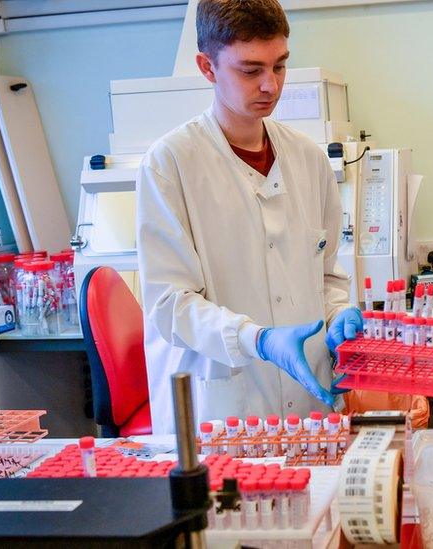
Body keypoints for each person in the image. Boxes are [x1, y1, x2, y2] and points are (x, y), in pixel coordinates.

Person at [137, 0, 361, 434]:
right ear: (207, 67)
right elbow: (169, 305)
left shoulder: (307, 159)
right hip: (222, 407)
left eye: (279, 66)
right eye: (250, 69)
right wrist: (257, 340)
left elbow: (327, 278)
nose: (270, 86)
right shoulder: (170, 164)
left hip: (308, 400)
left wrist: (338, 317)